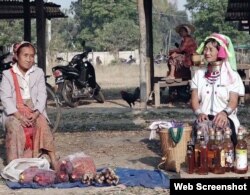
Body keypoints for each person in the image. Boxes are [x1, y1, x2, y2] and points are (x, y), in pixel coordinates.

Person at [0, 41, 57, 169]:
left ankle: (52, 159)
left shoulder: (38, 72)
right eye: (25, 55)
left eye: (32, 56)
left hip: (34, 109)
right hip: (14, 111)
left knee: (42, 123)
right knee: (14, 126)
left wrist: (37, 113)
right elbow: (5, 98)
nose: (29, 59)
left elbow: (42, 95)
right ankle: (15, 163)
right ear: (17, 56)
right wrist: (19, 116)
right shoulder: (8, 74)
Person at [190, 33, 245, 146]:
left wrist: (224, 113)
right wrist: (199, 113)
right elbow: (194, 100)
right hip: (204, 117)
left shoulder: (232, 75)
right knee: (202, 127)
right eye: (205, 49)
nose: (206, 52)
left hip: (225, 117)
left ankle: (223, 160)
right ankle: (203, 159)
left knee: (220, 126)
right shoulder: (199, 74)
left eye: (211, 49)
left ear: (220, 51)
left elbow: (233, 101)